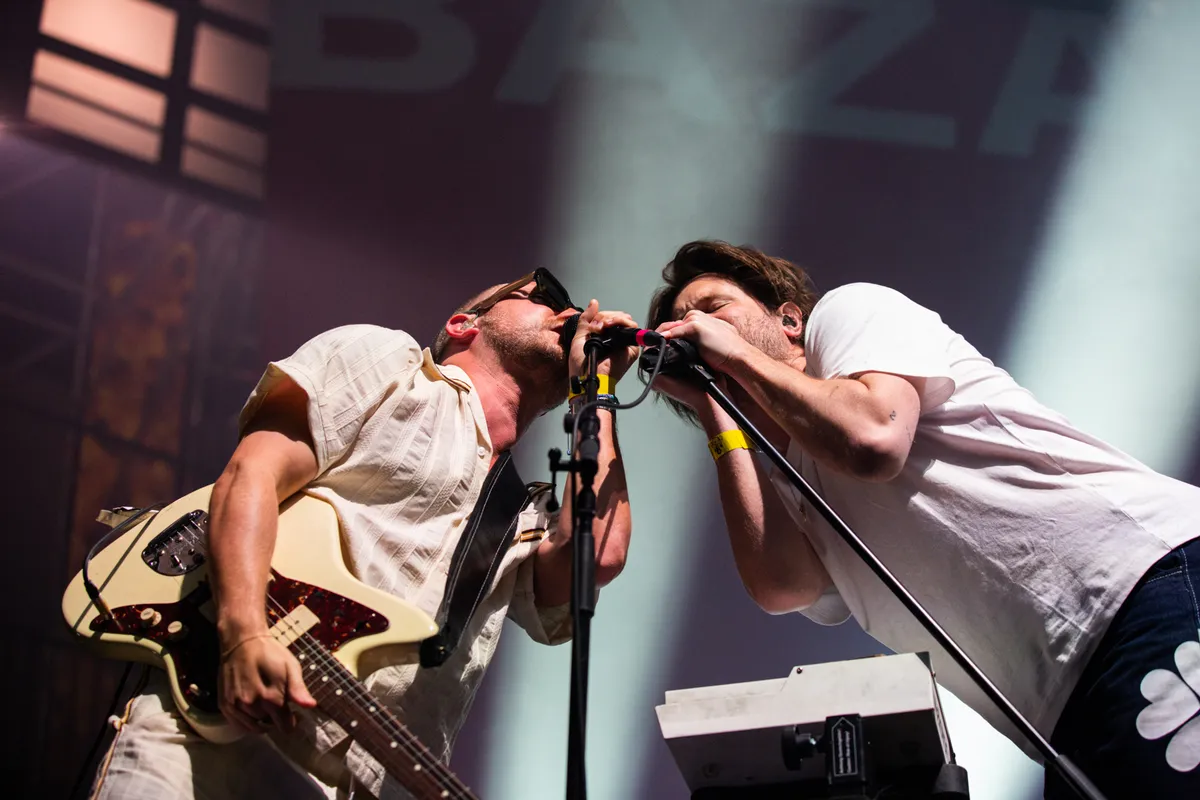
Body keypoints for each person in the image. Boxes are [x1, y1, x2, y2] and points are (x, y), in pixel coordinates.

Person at [646, 239, 1200, 798]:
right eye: (680, 322)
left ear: (789, 320)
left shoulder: (848, 313)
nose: (691, 326)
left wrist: (735, 356)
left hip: (1143, 587)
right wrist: (712, 406)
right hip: (1061, 709)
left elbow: (874, 438)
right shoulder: (788, 475)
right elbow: (782, 587)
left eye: (712, 308)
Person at [90, 268, 638, 799]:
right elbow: (251, 474)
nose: (568, 311)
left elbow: (599, 556)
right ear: (462, 325)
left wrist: (596, 391)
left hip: (373, 782)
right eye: (543, 295)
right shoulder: (389, 366)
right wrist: (244, 634)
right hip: (219, 724)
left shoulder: (524, 515)